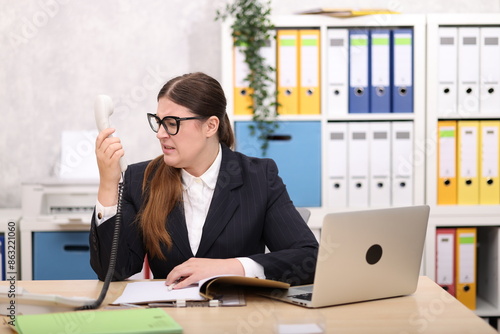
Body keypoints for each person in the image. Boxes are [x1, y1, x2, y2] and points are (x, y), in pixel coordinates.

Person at [90, 72, 318, 289]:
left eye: (171, 123)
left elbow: (309, 258)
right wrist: (109, 185)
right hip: (172, 316)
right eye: (158, 122)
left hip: (238, 319)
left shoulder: (259, 177)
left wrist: (230, 267)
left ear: (210, 126)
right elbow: (113, 271)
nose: (160, 133)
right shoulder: (141, 179)